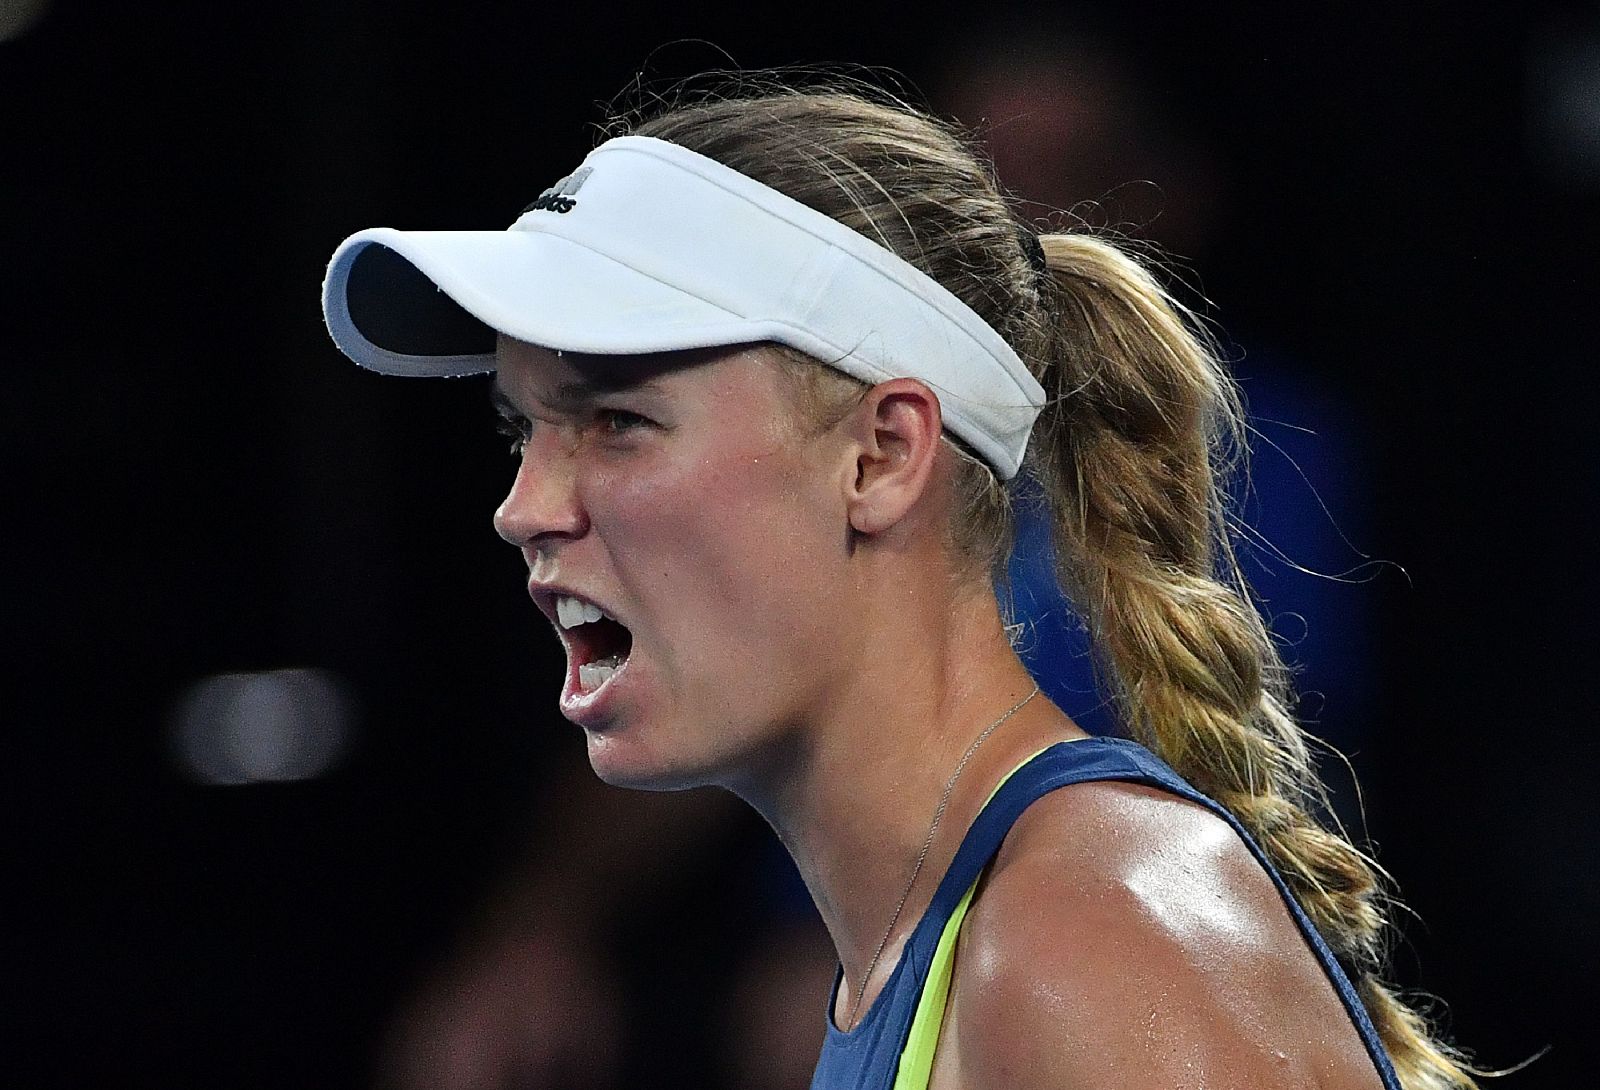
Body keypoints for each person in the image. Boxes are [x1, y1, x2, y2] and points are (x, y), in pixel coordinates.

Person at [322, 81, 1477, 1090]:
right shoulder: (958, 949)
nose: (524, 506)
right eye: (522, 429)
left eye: (617, 421)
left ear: (880, 456)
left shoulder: (1083, 937)